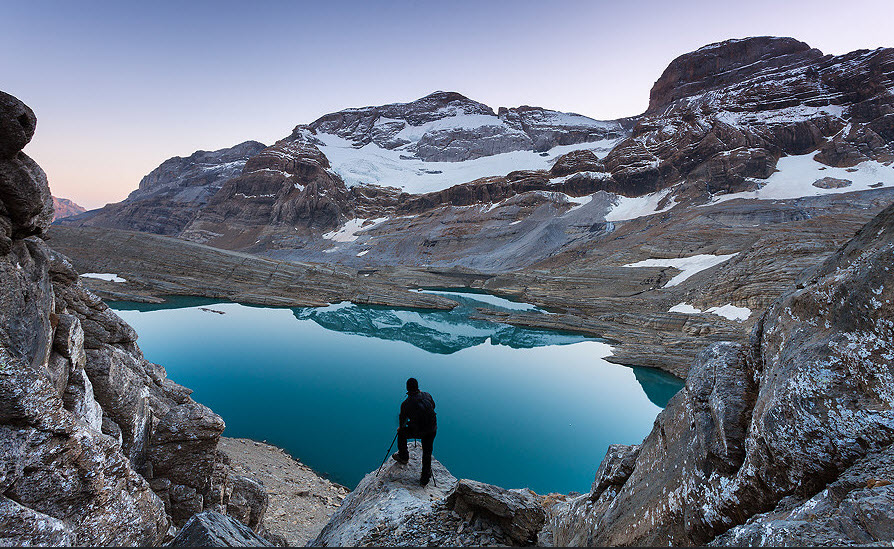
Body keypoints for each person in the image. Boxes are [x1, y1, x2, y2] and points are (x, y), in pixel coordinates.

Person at [392, 377, 437, 486]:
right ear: (417, 387)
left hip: (419, 431)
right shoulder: (427, 395)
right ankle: (425, 478)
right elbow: (433, 406)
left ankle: (403, 456)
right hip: (432, 429)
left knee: (401, 433)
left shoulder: (406, 404)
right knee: (427, 452)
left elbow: (402, 423)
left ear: (407, 388)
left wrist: (400, 427)